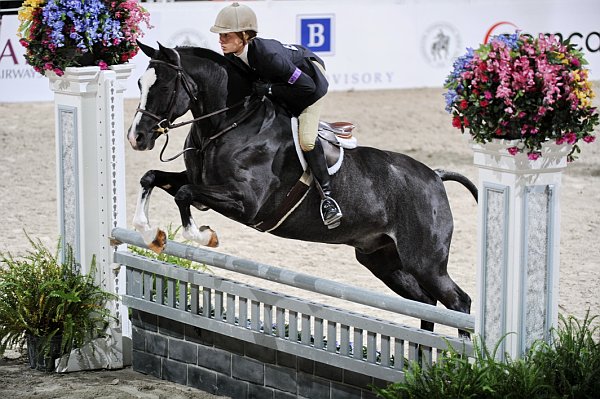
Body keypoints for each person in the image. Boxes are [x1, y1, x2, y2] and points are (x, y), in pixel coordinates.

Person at [210, 2, 343, 228]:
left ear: (244, 35)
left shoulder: (268, 56)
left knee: (307, 140)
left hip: (311, 82)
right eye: (220, 35)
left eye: (226, 35)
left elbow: (306, 87)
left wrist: (270, 90)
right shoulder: (234, 57)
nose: (220, 40)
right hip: (283, 82)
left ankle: (328, 198)